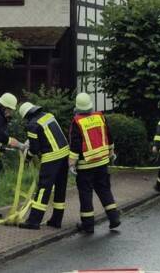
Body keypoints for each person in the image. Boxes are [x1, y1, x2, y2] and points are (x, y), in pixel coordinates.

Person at [68, 92, 122, 233]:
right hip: (102, 162)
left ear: (77, 107)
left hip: (86, 165)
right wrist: (111, 152)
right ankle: (114, 217)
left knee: (86, 194)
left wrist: (71, 163)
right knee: (104, 189)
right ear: (90, 106)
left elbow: (75, 144)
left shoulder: (77, 121)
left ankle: (88, 225)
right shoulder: (100, 117)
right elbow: (108, 136)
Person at [18, 100, 71, 230]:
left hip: (52, 158)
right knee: (60, 188)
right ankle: (56, 220)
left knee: (43, 189)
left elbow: (35, 149)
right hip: (65, 154)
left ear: (26, 116)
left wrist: (27, 157)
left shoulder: (32, 125)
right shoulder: (48, 115)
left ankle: (33, 221)